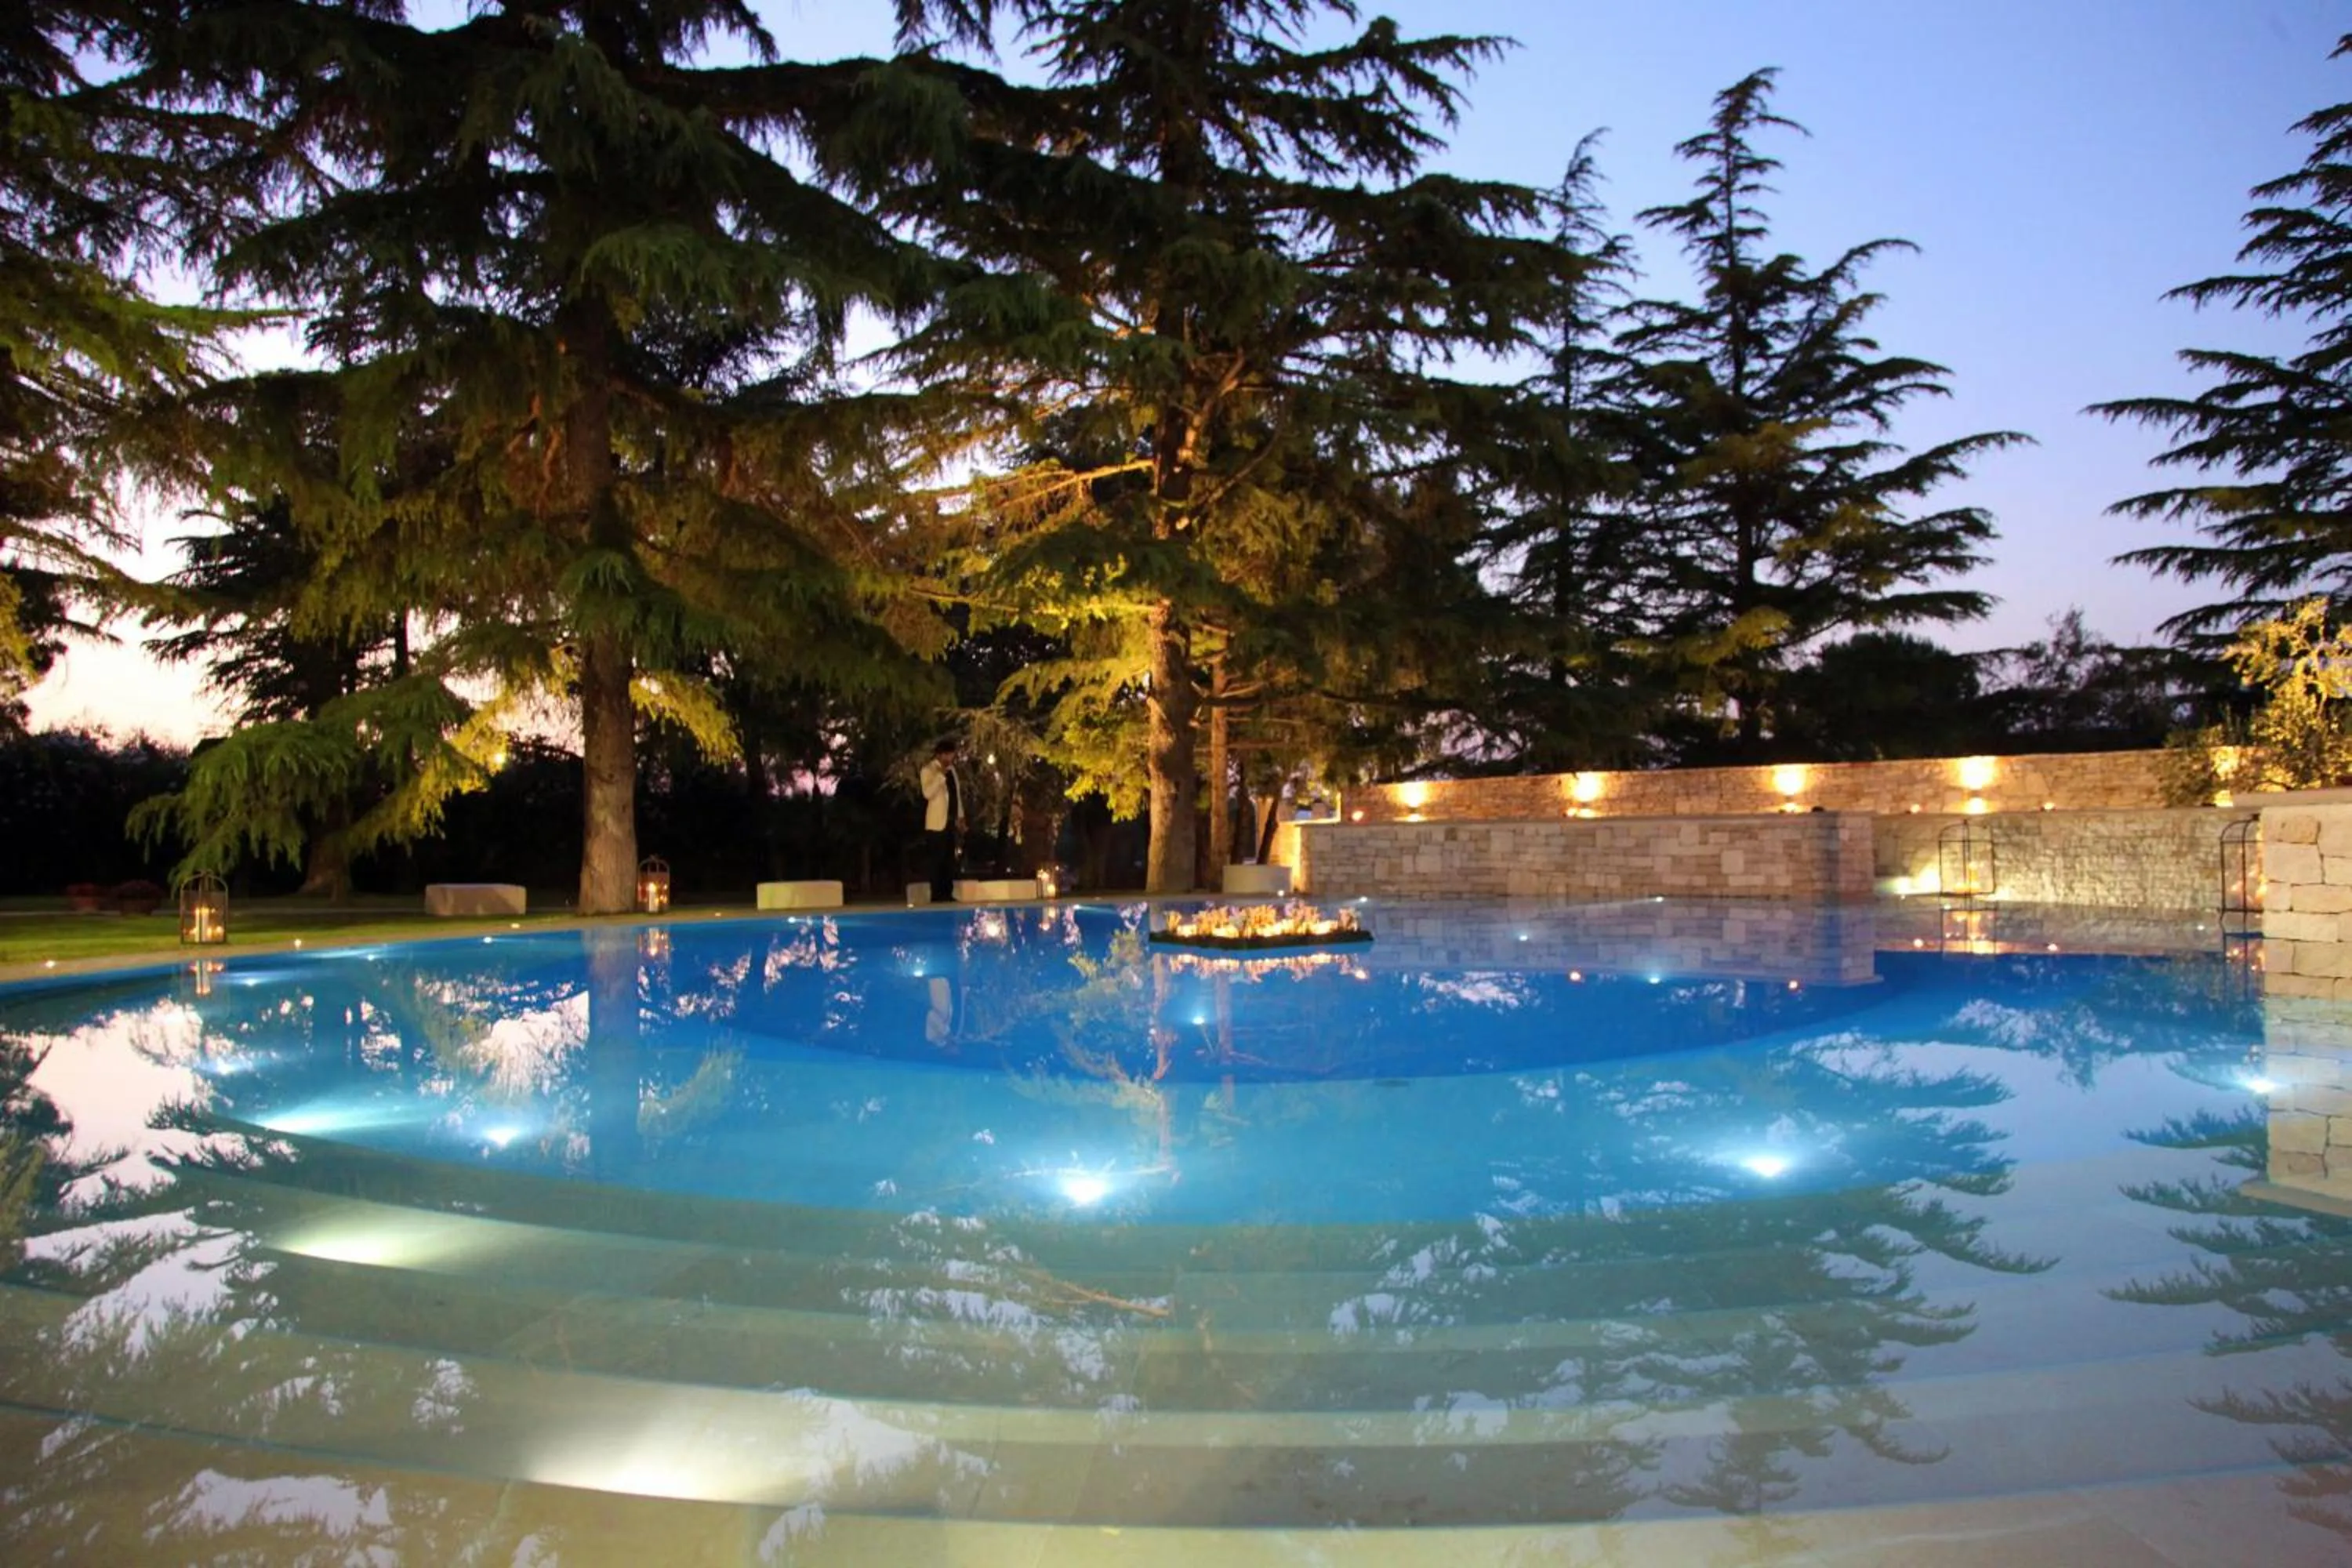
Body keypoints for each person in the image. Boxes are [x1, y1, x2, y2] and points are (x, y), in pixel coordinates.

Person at [919, 739, 966, 903]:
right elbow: (927, 794)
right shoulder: (929, 770)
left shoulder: (952, 771)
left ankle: (947, 893)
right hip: (936, 823)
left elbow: (956, 795)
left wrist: (961, 816)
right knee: (936, 861)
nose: (951, 759)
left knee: (949, 860)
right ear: (940, 755)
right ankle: (936, 895)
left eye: (952, 756)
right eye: (948, 755)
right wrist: (940, 777)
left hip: (951, 823)